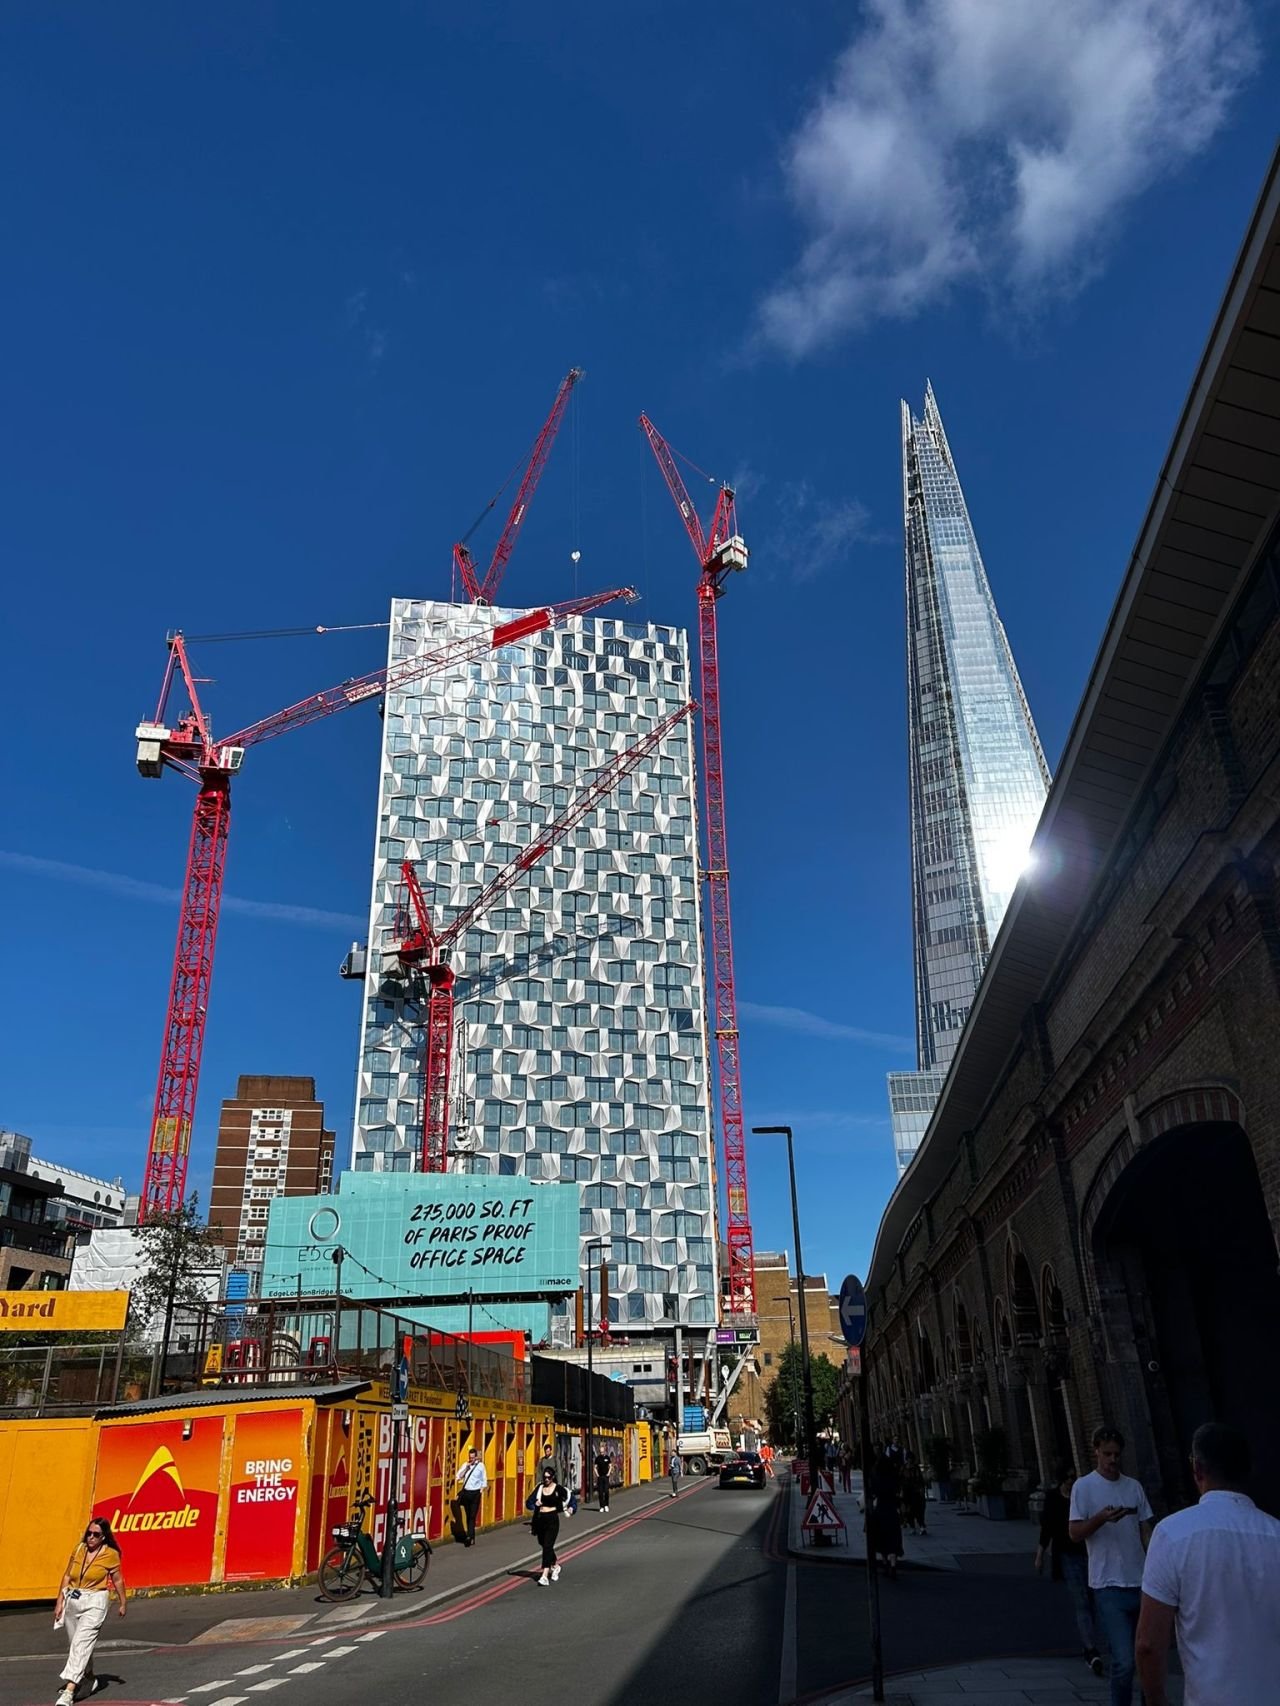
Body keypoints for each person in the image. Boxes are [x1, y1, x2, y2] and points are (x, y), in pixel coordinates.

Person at [1136, 1422, 1280, 1706]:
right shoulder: (1275, 1534)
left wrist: (1156, 1699)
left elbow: (1148, 1644)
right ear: (1247, 1471)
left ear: (1198, 1469)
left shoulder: (1173, 1534)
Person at [1069, 1426, 1153, 1706]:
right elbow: (1075, 1532)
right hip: (1107, 1585)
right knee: (1124, 1661)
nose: (1112, 1460)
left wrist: (1156, 1562)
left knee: (1146, 1656)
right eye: (1107, 1454)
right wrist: (1101, 1519)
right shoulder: (1084, 1486)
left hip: (1141, 1581)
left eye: (1117, 1454)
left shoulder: (1133, 1487)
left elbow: (1145, 1529)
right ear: (1096, 1452)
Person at [1036, 1463, 1101, 1677]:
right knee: (1081, 1600)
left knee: (1093, 1599)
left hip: (1089, 1553)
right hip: (1067, 1555)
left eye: (1074, 1477)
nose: (1072, 1482)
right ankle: (1091, 1649)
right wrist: (1040, 1555)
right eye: (1068, 1478)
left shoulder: (1083, 1496)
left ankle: (1092, 1642)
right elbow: (1047, 1528)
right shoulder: (1054, 1499)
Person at [54, 1515, 126, 1706]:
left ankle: (69, 1691)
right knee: (75, 1645)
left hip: (96, 1600)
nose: (91, 1537)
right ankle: (89, 1677)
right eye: (89, 1533)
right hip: (74, 1598)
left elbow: (118, 1580)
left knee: (81, 1643)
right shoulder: (79, 1549)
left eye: (96, 1534)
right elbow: (68, 1575)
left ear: (104, 1537)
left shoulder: (110, 1554)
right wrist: (60, 1601)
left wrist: (123, 1602)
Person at [527, 1466, 572, 1585]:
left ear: (552, 1478)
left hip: (552, 1519)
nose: (546, 1479)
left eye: (548, 1477)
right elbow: (528, 1502)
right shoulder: (540, 1488)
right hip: (540, 1520)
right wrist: (535, 1504)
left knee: (547, 1546)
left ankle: (544, 1575)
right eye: (544, 1477)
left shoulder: (558, 1488)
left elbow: (570, 1496)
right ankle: (555, 1566)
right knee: (543, 1544)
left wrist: (571, 1508)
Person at [868, 1447, 904, 1579]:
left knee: (881, 1537)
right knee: (893, 1538)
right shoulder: (893, 1476)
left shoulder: (875, 1475)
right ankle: (893, 1564)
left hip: (880, 1509)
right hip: (892, 1510)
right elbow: (898, 1491)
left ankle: (884, 1563)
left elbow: (871, 1493)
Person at [454, 1447, 488, 1547]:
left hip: (476, 1494)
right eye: (470, 1457)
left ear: (476, 1457)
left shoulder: (481, 1466)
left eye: (473, 1458)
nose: (471, 1459)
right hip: (466, 1493)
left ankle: (469, 1537)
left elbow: (484, 1479)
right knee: (468, 1515)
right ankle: (471, 1536)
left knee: (472, 1516)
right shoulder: (466, 1465)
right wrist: (466, 1468)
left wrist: (482, 1489)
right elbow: (458, 1477)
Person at [900, 1451, 928, 1536]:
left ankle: (922, 1526)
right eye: (908, 1459)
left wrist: (921, 1490)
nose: (910, 1460)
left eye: (911, 1459)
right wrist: (900, 1491)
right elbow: (900, 1480)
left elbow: (920, 1480)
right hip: (906, 1492)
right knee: (908, 1511)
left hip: (915, 1492)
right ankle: (912, 1527)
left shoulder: (916, 1468)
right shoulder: (903, 1468)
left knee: (918, 1510)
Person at [594, 1447, 612, 1512]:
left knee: (606, 1492)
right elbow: (595, 1467)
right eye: (600, 1452)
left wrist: (608, 1473)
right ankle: (601, 1506)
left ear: (604, 1451)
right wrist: (597, 1475)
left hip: (606, 1477)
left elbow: (610, 1466)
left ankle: (606, 1505)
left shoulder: (607, 1458)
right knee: (600, 1492)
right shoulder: (598, 1458)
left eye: (602, 1452)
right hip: (600, 1477)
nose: (601, 1453)